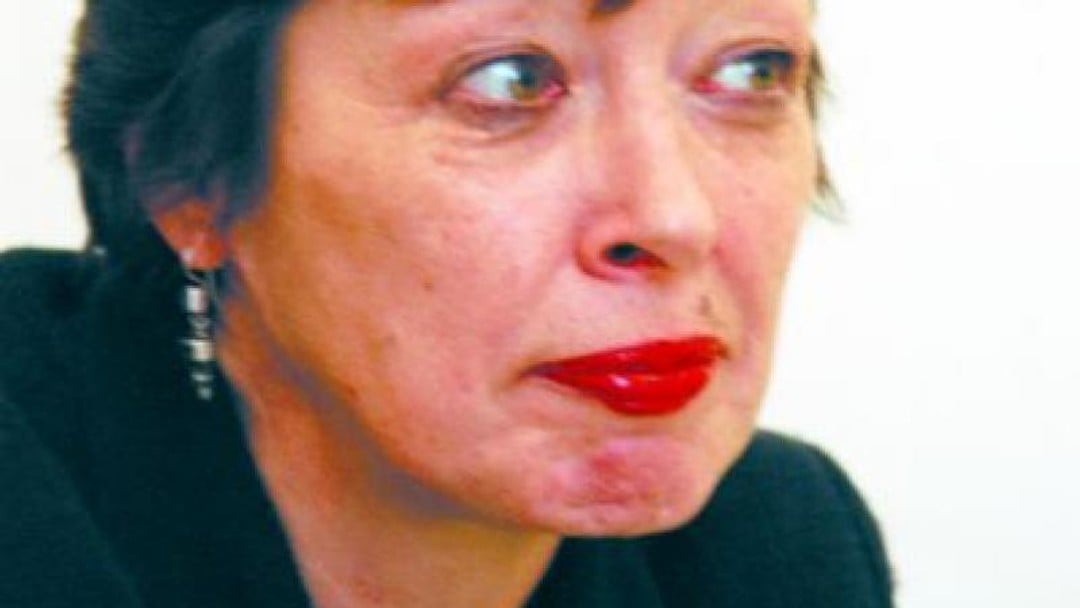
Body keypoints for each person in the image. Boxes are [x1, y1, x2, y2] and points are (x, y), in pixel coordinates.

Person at [0, 0, 892, 606]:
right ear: (188, 175)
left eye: (751, 72)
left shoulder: (772, 548)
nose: (676, 218)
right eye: (509, 80)